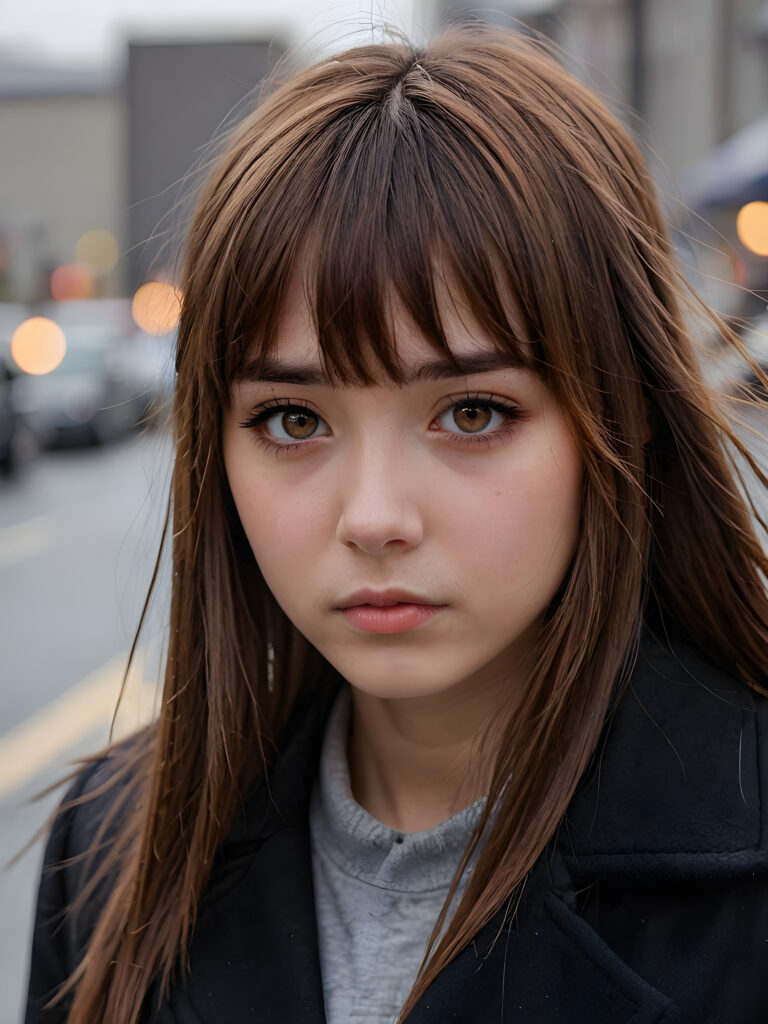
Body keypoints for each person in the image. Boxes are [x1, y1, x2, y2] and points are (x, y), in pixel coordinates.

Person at [25, 24, 768, 1024]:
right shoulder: (112, 847)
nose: (373, 517)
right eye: (294, 420)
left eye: (471, 413)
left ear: (622, 421)